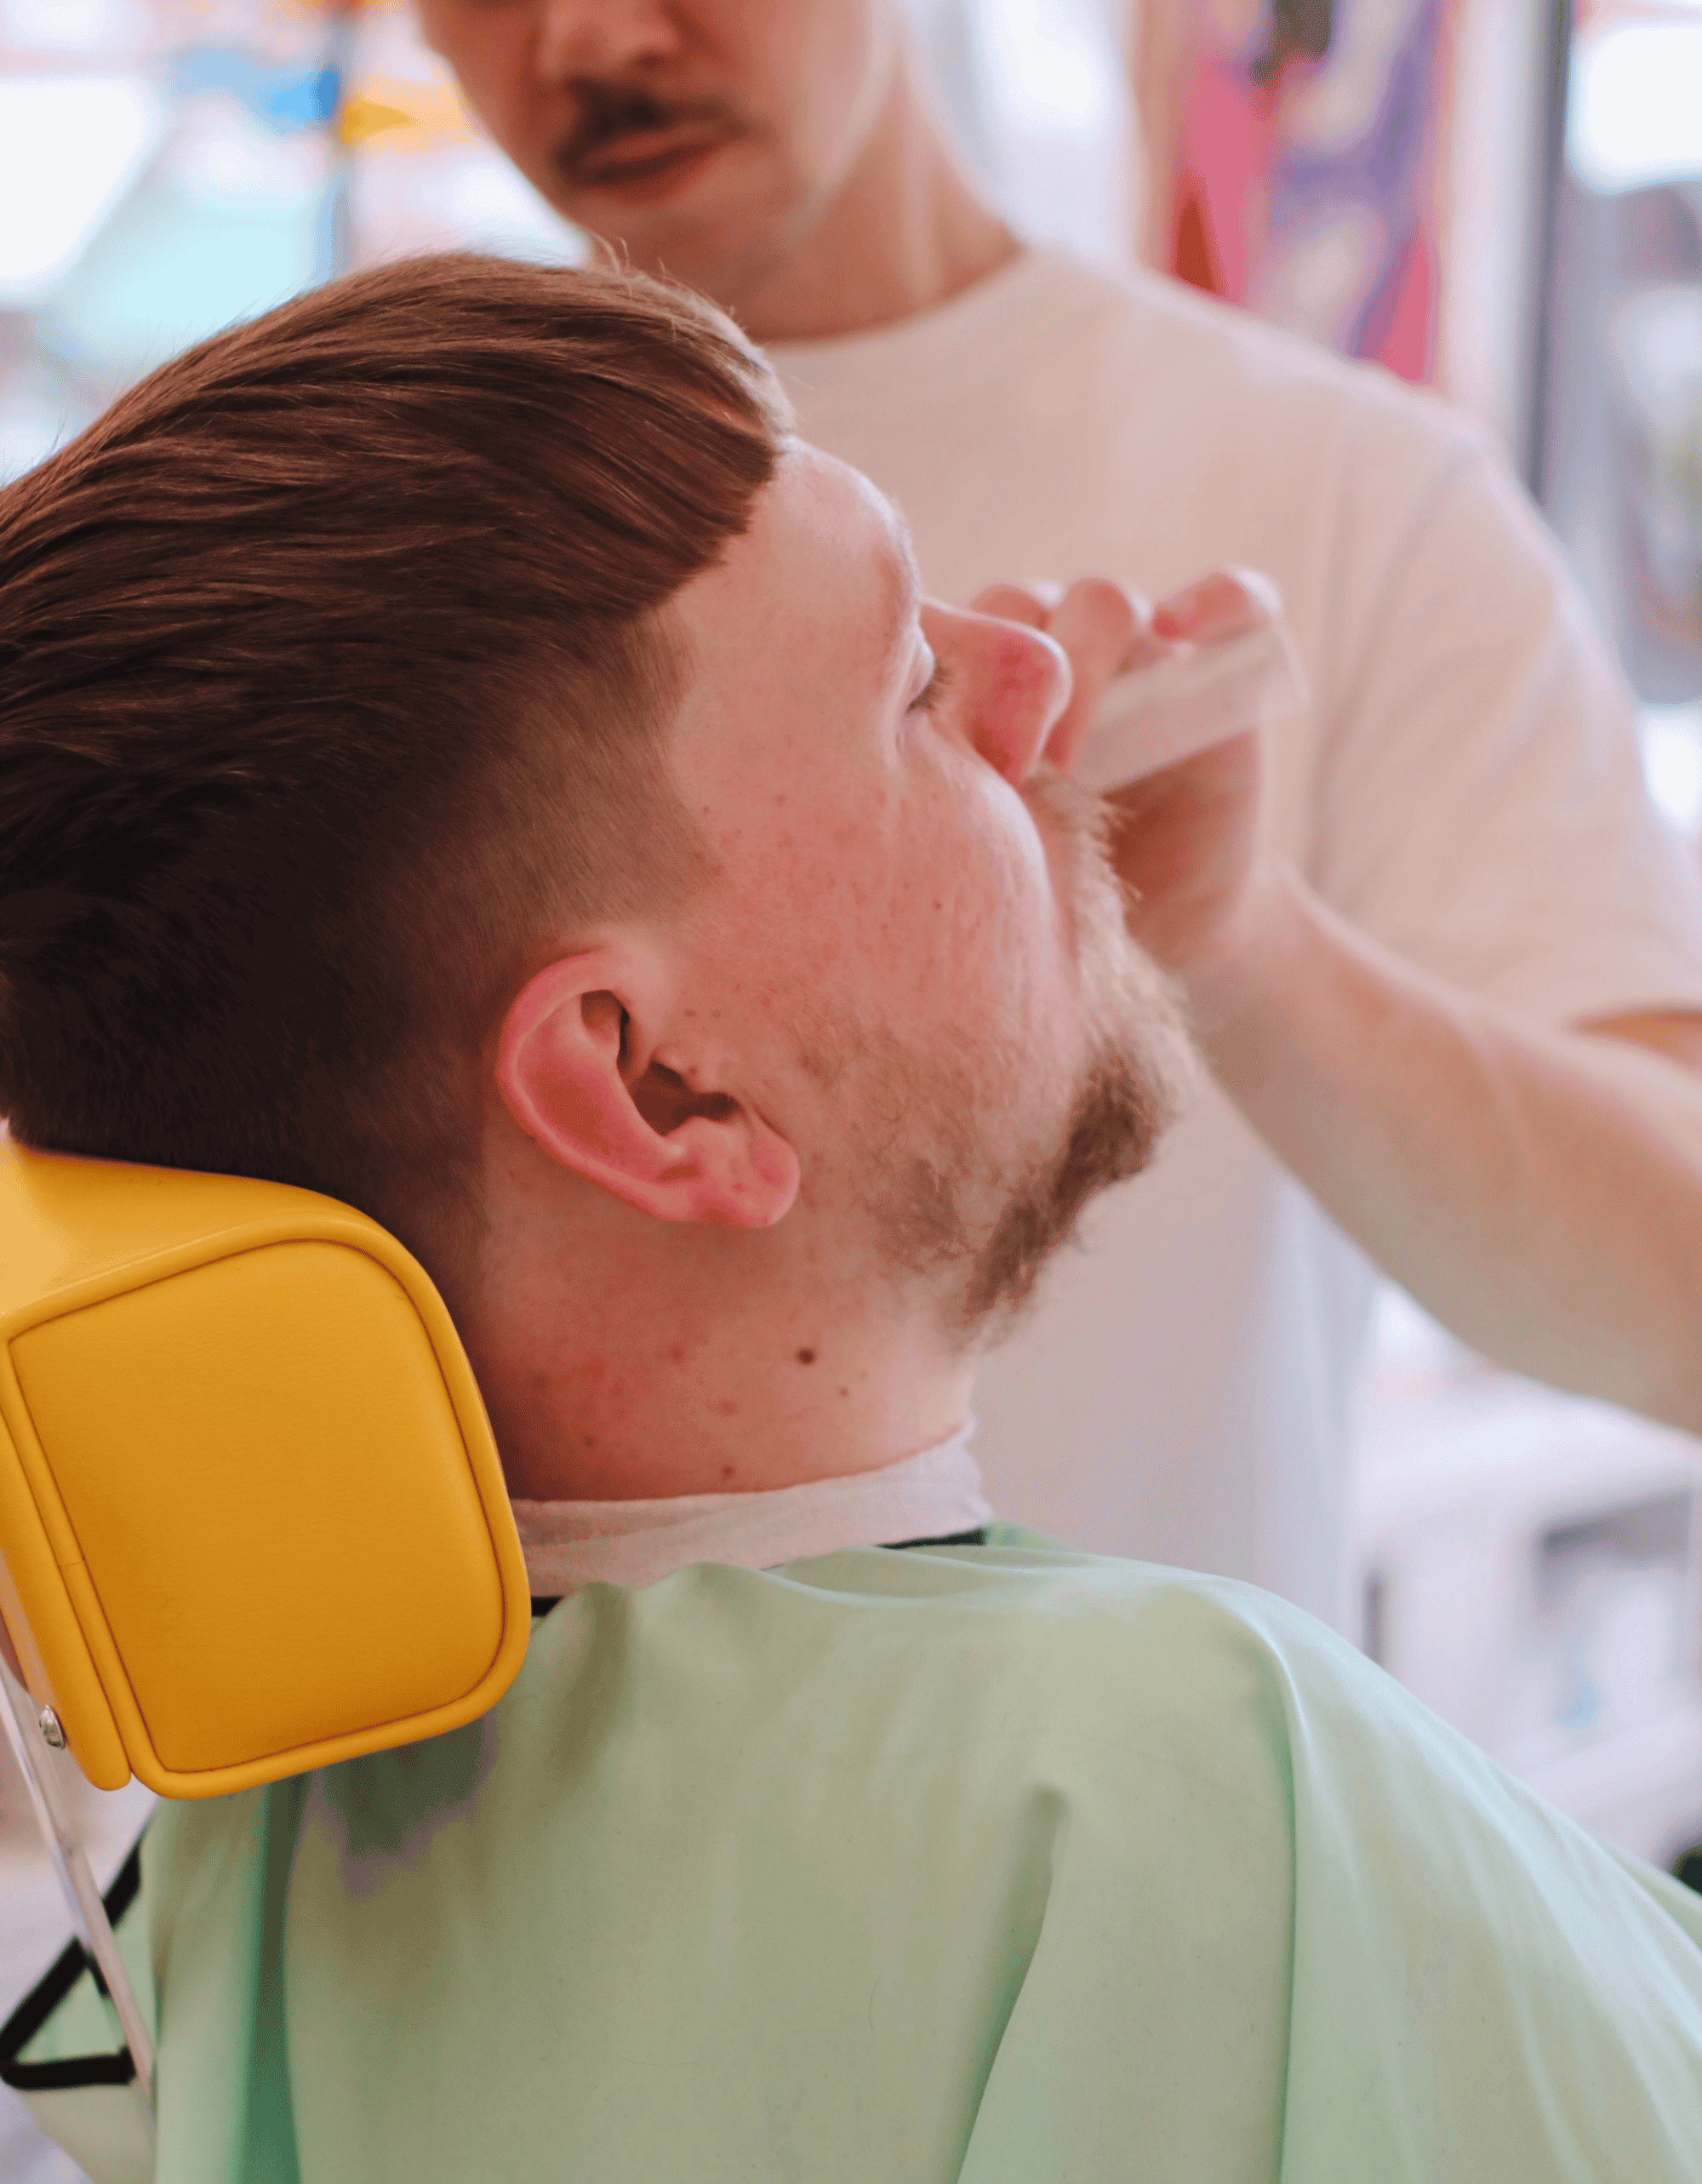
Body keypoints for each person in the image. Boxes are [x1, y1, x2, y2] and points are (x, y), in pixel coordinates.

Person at [3, 254, 1702, 2184]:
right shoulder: (1199, 1800)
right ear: (658, 1083)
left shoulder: (254, 1865)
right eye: (909, 679)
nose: (1030, 677)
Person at [417, 0, 1702, 1625]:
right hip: (478, 1829)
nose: (589, 36)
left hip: (1136, 1845)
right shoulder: (358, 538)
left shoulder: (1363, 501)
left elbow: (1681, 1303)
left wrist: (1235, 944)